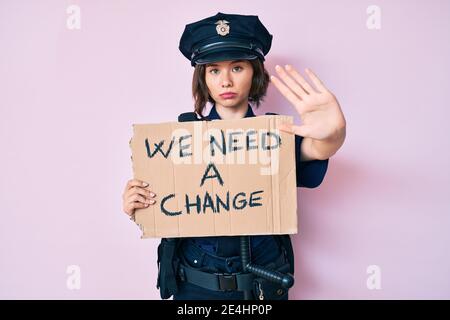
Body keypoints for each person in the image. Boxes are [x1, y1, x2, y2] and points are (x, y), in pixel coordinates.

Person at [122, 12, 346, 300]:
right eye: (214, 70)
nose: (226, 81)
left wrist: (334, 133)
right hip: (195, 287)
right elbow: (165, 205)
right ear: (203, 78)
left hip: (261, 285)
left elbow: (317, 149)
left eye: (237, 68)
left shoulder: (276, 135)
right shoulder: (178, 140)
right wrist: (137, 206)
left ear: (254, 73)